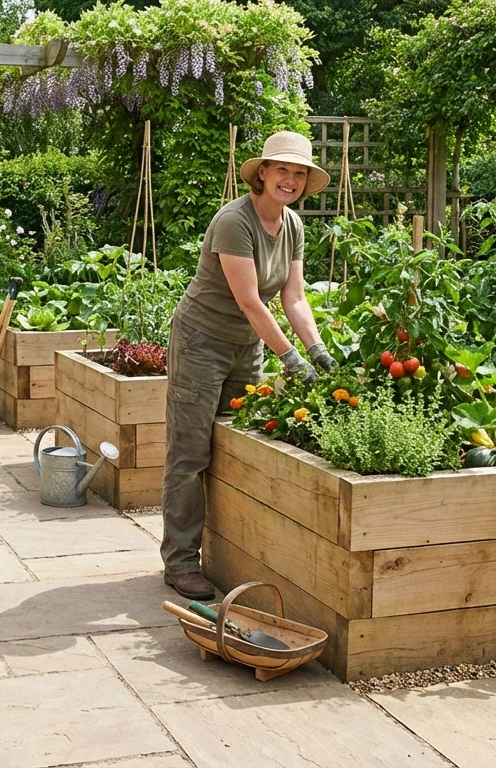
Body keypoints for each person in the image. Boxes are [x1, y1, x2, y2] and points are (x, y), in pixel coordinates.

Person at [161, 130, 336, 600]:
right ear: (263, 172)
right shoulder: (234, 222)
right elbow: (249, 302)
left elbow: (293, 296)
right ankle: (180, 563)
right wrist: (291, 357)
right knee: (190, 451)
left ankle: (227, 552)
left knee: (235, 443)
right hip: (202, 341)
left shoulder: (293, 225)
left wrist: (317, 349)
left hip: (246, 347)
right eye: (283, 170)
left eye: (300, 174)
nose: (291, 180)